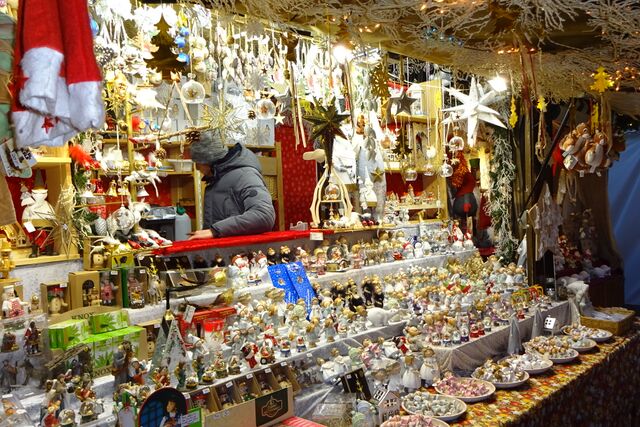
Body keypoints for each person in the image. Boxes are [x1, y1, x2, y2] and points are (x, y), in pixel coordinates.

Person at [188, 130, 275, 239]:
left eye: (197, 162)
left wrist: (215, 231)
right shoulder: (217, 178)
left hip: (243, 248)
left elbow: (263, 215)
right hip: (226, 247)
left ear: (207, 161)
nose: (196, 168)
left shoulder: (245, 176)